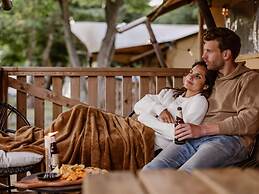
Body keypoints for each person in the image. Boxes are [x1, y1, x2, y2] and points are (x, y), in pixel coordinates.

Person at [143, 27, 259, 172]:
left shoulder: (249, 79)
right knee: (151, 169)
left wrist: (202, 130)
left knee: (183, 176)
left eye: (209, 51)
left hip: (230, 140)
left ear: (226, 54)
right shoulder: (209, 79)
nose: (203, 56)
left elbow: (250, 121)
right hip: (195, 136)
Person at [133, 61, 217, 155]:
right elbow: (138, 106)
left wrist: (145, 118)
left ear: (205, 86)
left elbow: (179, 133)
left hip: (150, 142)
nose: (190, 77)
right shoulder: (170, 93)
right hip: (136, 129)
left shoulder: (199, 102)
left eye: (197, 76)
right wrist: (160, 110)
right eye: (191, 72)